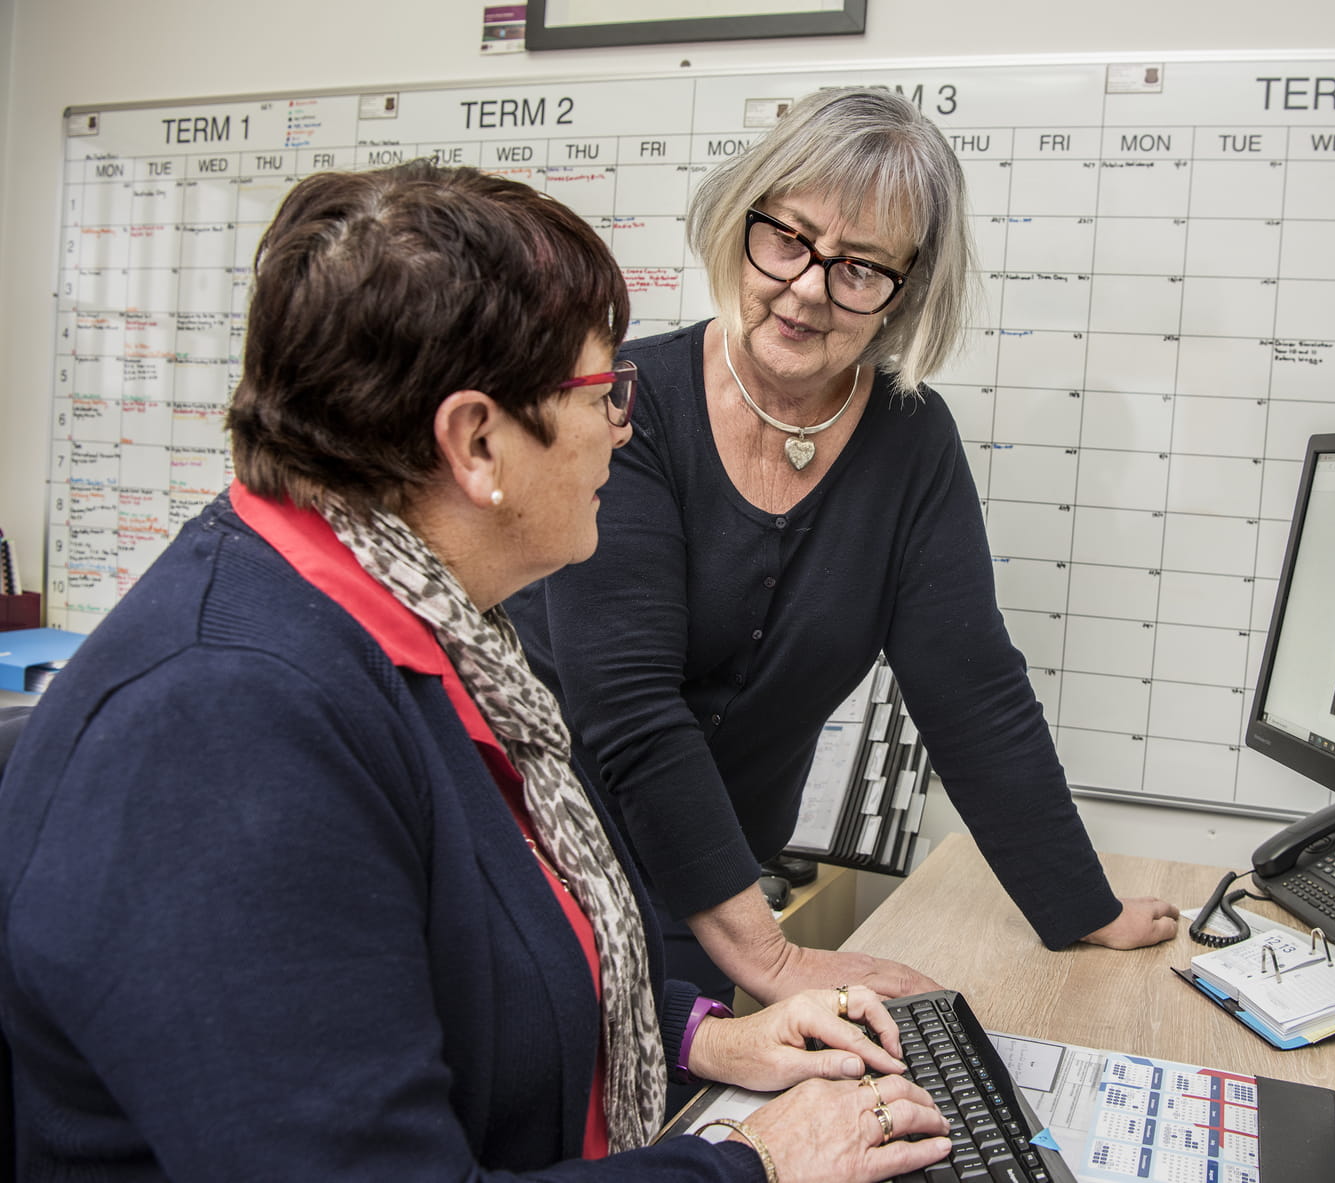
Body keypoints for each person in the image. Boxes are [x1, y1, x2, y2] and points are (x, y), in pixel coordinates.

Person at [0, 161, 952, 1182]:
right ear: (477, 442)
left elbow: (464, 968)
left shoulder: (418, 626)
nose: (622, 425)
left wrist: (700, 1033)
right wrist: (752, 1165)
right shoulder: (222, 733)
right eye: (603, 391)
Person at [506, 87, 1180, 1011]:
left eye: (861, 267)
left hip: (721, 888)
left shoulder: (911, 440)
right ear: (742, 218)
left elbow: (974, 692)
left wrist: (1080, 905)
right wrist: (774, 960)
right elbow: (628, 706)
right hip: (552, 861)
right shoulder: (633, 402)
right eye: (788, 238)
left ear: (909, 289)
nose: (809, 289)